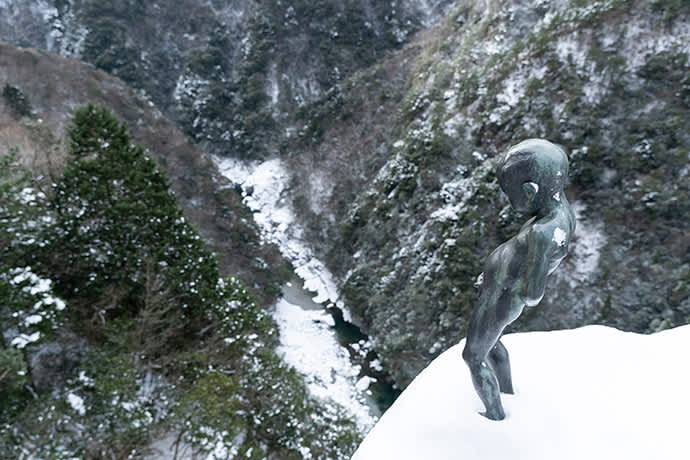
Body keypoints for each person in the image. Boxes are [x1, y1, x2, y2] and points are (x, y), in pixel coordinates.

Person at [462, 139, 576, 420]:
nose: (509, 201)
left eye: (510, 194)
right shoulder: (560, 212)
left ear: (529, 190)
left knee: (473, 357)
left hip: (501, 297)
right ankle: (507, 391)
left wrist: (503, 280)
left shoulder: (542, 233)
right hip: (497, 290)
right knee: (493, 342)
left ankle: (495, 414)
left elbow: (532, 293)